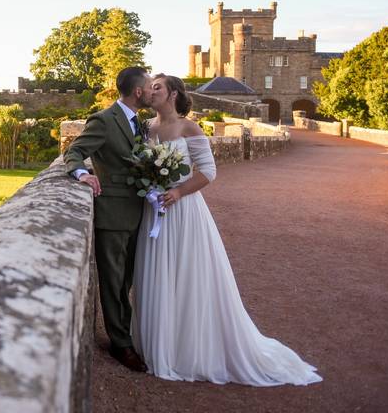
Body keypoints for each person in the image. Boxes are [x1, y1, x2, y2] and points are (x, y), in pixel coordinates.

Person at [132, 73, 321, 385]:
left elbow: (208, 171)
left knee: (187, 275)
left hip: (183, 212)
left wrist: (178, 192)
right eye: (151, 86)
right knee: (156, 273)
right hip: (154, 210)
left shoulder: (188, 128)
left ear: (174, 94)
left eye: (157, 87)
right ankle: (156, 344)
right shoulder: (147, 127)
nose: (151, 91)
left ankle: (186, 349)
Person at [63, 66, 152, 372]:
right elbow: (74, 152)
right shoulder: (103, 120)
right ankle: (121, 344)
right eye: (150, 87)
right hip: (112, 214)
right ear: (138, 92)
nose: (153, 91)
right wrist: (82, 173)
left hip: (140, 212)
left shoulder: (139, 122)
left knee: (127, 280)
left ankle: (126, 333)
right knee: (113, 282)